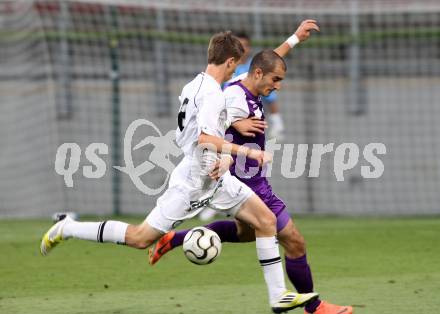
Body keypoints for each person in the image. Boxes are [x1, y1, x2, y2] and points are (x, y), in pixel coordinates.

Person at [40, 30, 319, 313]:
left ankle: (277, 296)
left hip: (216, 177)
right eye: (238, 64)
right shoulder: (211, 95)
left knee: (266, 221)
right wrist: (247, 151)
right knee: (140, 238)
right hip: (192, 180)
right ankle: (68, 227)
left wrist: (293, 39)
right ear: (232, 62)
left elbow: (259, 73)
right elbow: (205, 139)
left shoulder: (195, 85)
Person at [149, 22, 354, 314]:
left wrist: (296, 38)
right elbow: (207, 129)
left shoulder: (249, 80)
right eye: (275, 80)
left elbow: (270, 59)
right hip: (246, 180)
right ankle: (314, 307)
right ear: (257, 74)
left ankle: (176, 238)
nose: (277, 86)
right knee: (294, 241)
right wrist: (235, 123)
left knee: (247, 233)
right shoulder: (233, 96)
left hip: (250, 178)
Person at [235, 31, 285, 141]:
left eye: (245, 46)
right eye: (239, 46)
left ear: (249, 48)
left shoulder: (256, 68)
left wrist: (277, 122)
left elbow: (270, 97)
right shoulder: (227, 68)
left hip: (252, 124)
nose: (242, 49)